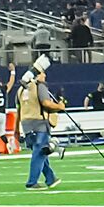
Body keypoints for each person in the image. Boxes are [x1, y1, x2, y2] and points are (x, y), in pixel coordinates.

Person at [16, 54, 64, 188]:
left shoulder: (20, 90)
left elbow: (18, 110)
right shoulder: (39, 86)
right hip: (39, 124)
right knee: (40, 152)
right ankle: (32, 182)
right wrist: (60, 106)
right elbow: (46, 103)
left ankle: (50, 178)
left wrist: (16, 129)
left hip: (26, 125)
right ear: (37, 75)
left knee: (40, 152)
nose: (45, 76)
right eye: (43, 73)